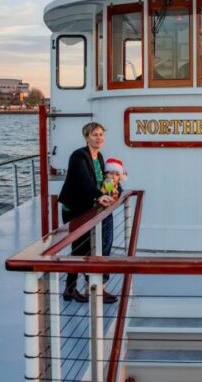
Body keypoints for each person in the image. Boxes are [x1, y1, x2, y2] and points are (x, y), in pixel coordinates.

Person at [58, 123, 117, 304]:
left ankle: (73, 289)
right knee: (80, 248)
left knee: (83, 248)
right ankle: (77, 289)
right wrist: (100, 196)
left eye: (101, 134)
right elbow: (85, 181)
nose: (99, 138)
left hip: (88, 207)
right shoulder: (78, 156)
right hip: (74, 208)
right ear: (86, 137)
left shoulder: (98, 156)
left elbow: (102, 180)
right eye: (94, 135)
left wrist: (112, 190)